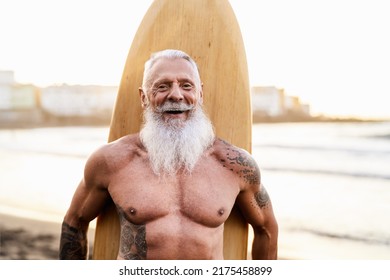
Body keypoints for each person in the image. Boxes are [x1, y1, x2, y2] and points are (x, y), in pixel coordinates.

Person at [59, 49, 278, 260]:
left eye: (186, 86)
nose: (175, 94)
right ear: (144, 97)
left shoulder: (235, 165)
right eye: (162, 86)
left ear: (200, 94)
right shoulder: (111, 161)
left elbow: (266, 229)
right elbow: (74, 223)